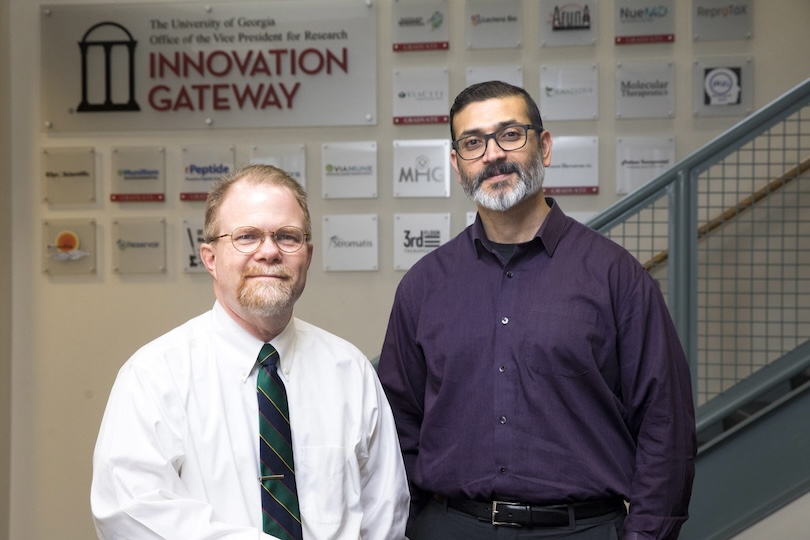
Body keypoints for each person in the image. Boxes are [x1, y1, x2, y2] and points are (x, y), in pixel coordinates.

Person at [377, 81, 696, 540]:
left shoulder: (616, 277)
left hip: (581, 529)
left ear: (543, 147)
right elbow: (397, 426)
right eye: (473, 142)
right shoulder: (424, 287)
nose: (492, 154)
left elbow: (666, 427)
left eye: (510, 134)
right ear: (456, 164)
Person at [91, 164, 409, 539]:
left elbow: (385, 513)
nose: (269, 252)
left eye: (287, 237)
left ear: (307, 254)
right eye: (247, 236)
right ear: (210, 258)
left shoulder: (350, 371)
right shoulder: (154, 375)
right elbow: (130, 512)